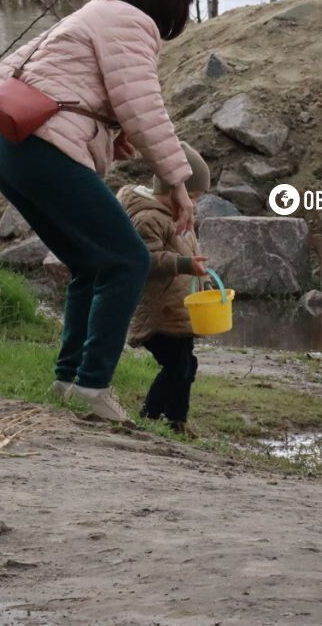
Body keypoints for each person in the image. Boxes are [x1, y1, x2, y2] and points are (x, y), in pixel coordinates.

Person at [0, 0, 196, 423]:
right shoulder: (131, 22)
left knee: (90, 265)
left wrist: (109, 129)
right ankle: (93, 386)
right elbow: (146, 107)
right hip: (43, 151)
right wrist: (177, 183)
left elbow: (26, 75)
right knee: (128, 260)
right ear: (163, 5)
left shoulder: (91, 13)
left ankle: (69, 381)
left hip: (9, 148)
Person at [116, 143, 211, 436]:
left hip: (179, 309)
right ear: (174, 192)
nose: (192, 204)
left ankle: (177, 420)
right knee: (176, 366)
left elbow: (189, 252)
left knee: (187, 364)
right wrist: (184, 264)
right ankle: (150, 416)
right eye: (191, 196)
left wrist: (203, 281)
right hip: (158, 310)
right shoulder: (148, 218)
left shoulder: (179, 216)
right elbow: (147, 258)